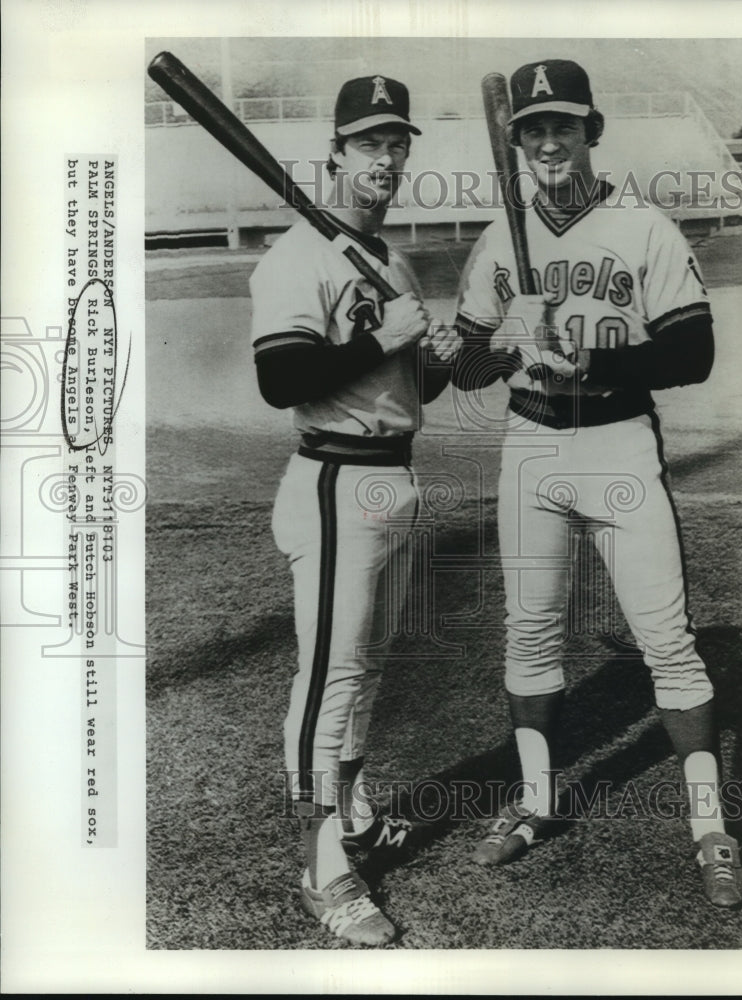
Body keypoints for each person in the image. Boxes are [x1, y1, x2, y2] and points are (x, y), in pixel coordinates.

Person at [451, 58, 742, 908]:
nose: (548, 141)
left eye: (563, 126)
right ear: (517, 141)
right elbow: (468, 365)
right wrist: (506, 339)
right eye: (533, 129)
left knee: (665, 637)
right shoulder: (493, 240)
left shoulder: (642, 226)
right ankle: (537, 803)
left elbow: (693, 353)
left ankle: (707, 827)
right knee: (530, 631)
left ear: (590, 132)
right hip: (529, 444)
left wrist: (593, 355)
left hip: (616, 441)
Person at [250, 75, 459, 945]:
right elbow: (280, 380)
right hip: (334, 484)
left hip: (390, 476)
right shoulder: (297, 257)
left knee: (367, 670)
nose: (386, 157)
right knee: (331, 676)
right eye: (368, 142)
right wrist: (387, 336)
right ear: (334, 154)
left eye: (396, 142)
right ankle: (322, 867)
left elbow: (406, 391)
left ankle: (357, 817)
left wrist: (440, 358)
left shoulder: (388, 259)